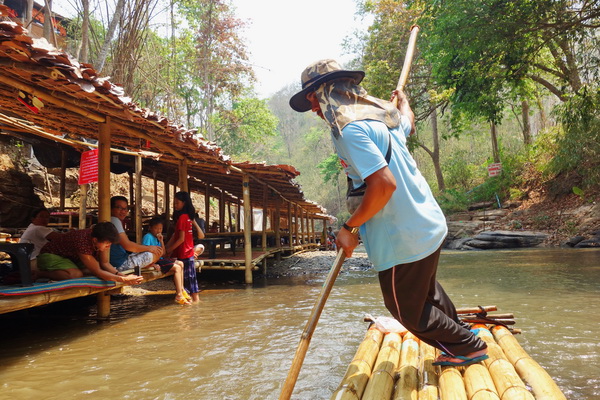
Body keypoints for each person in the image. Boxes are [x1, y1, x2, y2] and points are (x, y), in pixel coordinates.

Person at [289, 59, 488, 367]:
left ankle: (467, 345)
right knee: (426, 293)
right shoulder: (385, 120)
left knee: (404, 307)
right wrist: (404, 103)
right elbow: (407, 121)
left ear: (328, 92)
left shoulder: (350, 131)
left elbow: (383, 185)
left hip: (401, 236)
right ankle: (458, 336)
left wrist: (350, 228)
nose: (313, 107)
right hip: (427, 224)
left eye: (313, 98)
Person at [36, 222, 143, 284]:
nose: (108, 247)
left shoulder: (99, 240)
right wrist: (123, 279)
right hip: (50, 256)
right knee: (76, 275)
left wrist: (119, 275)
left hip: (71, 259)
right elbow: (97, 271)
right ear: (95, 240)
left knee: (91, 271)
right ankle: (41, 274)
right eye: (106, 244)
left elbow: (104, 264)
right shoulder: (82, 241)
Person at [142, 217, 191, 305]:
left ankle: (181, 289)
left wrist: (161, 241)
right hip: (154, 260)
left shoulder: (157, 238)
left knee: (181, 263)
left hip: (159, 259)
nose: (158, 230)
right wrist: (152, 264)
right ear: (150, 228)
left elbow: (163, 253)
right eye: (156, 228)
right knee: (177, 268)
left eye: (160, 228)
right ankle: (179, 295)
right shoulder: (148, 237)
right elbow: (144, 254)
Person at [109, 196, 162, 273]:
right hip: (119, 264)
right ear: (111, 208)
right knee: (156, 253)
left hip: (119, 260)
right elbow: (127, 245)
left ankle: (146, 265)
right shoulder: (114, 220)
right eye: (119, 208)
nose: (123, 211)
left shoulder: (113, 220)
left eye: (125, 208)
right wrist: (149, 248)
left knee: (154, 251)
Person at [165, 191, 200, 303]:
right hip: (188, 253)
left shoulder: (182, 218)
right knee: (192, 284)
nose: (175, 205)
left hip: (184, 254)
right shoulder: (188, 217)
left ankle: (191, 306)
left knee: (186, 284)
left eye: (177, 203)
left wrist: (169, 250)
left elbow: (181, 239)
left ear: (184, 203)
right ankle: (195, 305)